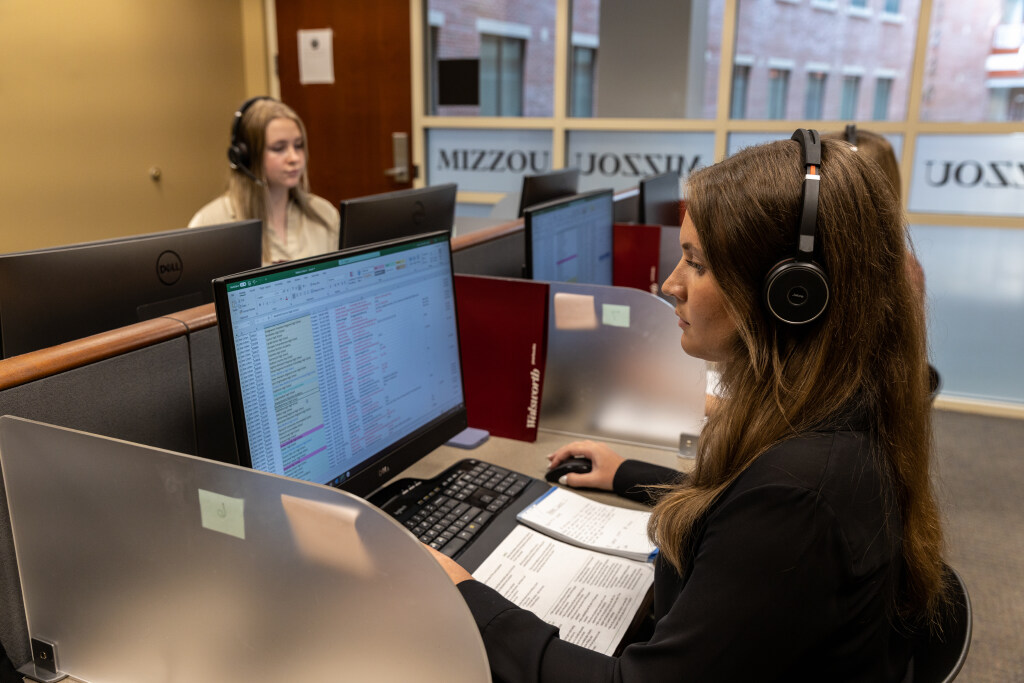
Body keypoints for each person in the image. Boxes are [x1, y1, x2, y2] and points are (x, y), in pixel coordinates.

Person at [426, 131, 946, 682]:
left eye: (695, 263)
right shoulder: (830, 412)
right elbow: (738, 520)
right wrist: (628, 473)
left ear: (791, 294)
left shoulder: (799, 493)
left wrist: (466, 599)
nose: (671, 284)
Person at [189, 97, 339, 265]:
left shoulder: (324, 215)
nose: (294, 158)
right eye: (279, 148)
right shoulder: (209, 224)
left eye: (298, 145)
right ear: (246, 157)